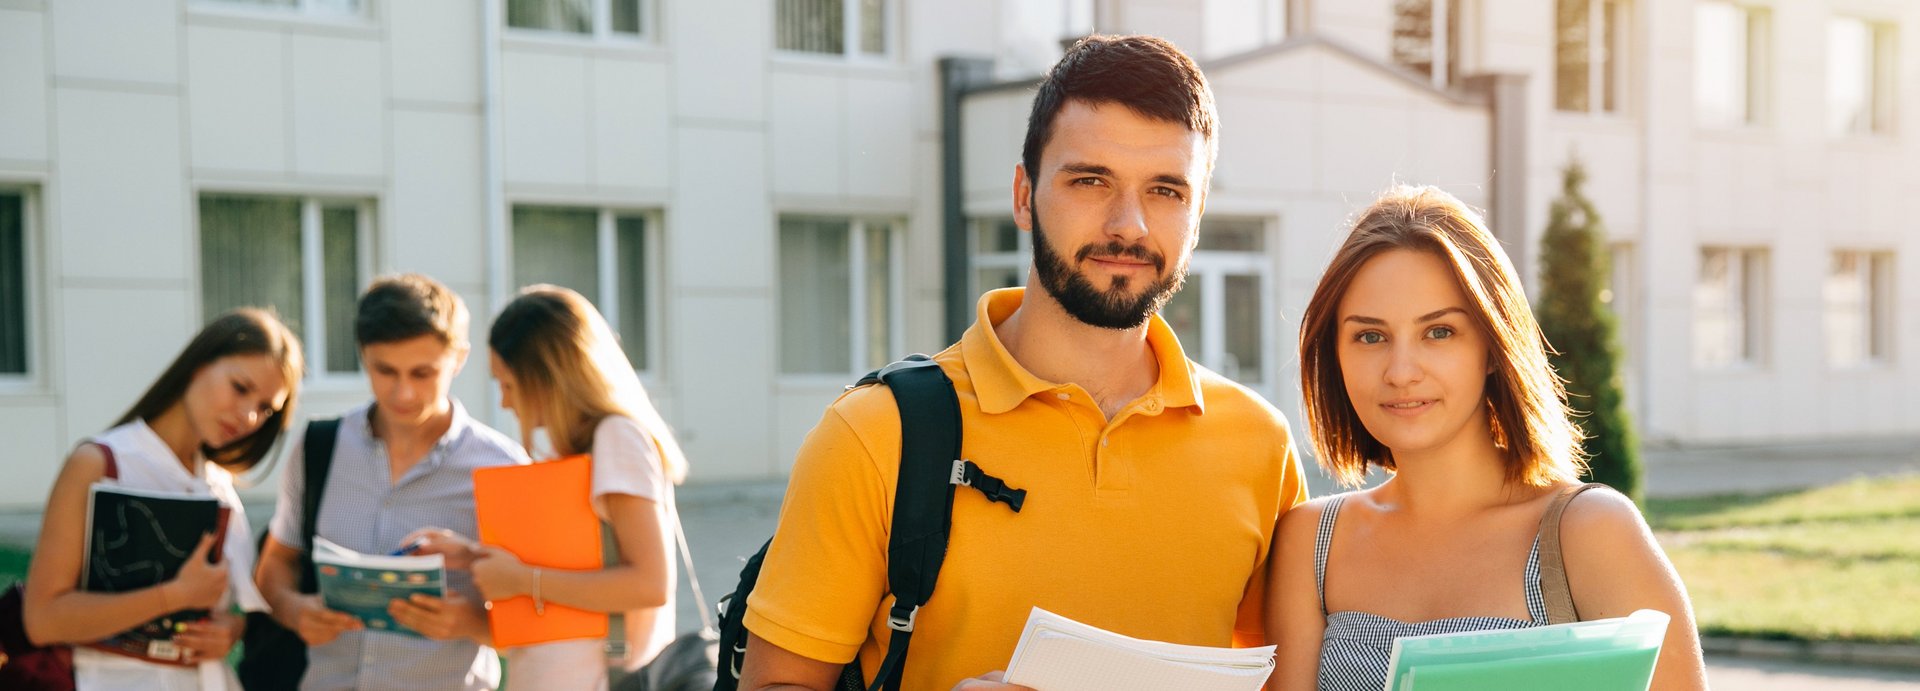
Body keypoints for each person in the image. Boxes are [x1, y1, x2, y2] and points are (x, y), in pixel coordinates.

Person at [739, 34, 1310, 691]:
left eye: (1165, 190)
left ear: (1198, 213)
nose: (1128, 224)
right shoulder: (875, 435)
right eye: (1091, 180)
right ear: (1022, 195)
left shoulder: (1262, 449)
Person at [1265, 186, 1708, 690]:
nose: (1401, 371)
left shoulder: (1590, 533)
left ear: (1493, 347)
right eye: (1370, 336)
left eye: (1439, 332)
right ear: (1334, 355)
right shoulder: (1310, 543)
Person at [408, 284, 690, 690]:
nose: (505, 403)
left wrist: (522, 580)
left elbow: (649, 584)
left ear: (548, 378)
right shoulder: (579, 449)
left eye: (508, 385)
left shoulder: (617, 438)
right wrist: (471, 556)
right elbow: (578, 567)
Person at [254, 274, 528, 691]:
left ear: (459, 359)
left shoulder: (504, 467)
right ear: (363, 355)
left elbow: (539, 626)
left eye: (423, 373)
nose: (403, 393)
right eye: (385, 371)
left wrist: (472, 623)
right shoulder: (317, 447)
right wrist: (294, 610)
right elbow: (276, 562)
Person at [22, 308, 303, 690]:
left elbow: (231, 613)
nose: (250, 416)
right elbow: (42, 620)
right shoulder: (100, 463)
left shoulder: (220, 486)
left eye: (266, 408)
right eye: (240, 388)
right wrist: (173, 595)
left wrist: (231, 629)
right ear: (197, 364)